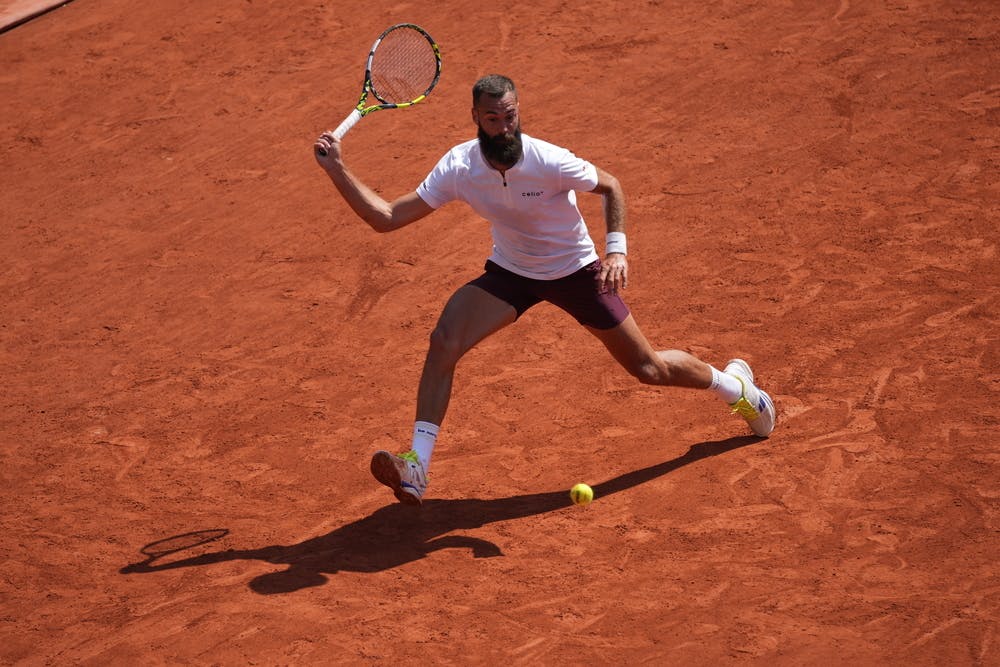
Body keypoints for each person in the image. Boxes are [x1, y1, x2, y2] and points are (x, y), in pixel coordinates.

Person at [314, 74, 775, 506]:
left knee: (648, 369)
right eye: (493, 118)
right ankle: (417, 466)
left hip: (575, 271)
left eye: (510, 115)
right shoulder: (459, 167)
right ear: (476, 117)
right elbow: (388, 218)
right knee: (443, 342)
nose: (503, 126)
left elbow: (611, 186)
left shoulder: (547, 159)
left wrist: (616, 251)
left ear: (519, 111)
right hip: (511, 273)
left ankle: (737, 388)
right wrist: (337, 169)